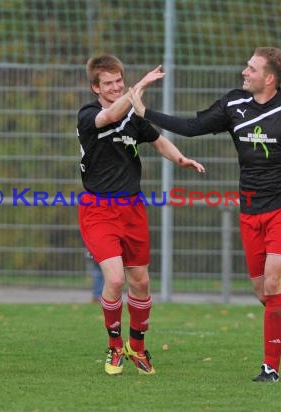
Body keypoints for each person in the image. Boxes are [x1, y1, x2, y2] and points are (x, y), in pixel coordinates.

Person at [129, 47, 281, 382]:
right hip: (251, 208)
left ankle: (270, 368)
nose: (244, 72)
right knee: (264, 294)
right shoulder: (233, 103)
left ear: (269, 78)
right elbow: (192, 126)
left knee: (272, 282)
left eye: (251, 68)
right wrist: (145, 112)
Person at [77, 54, 205, 376]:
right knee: (116, 278)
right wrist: (139, 88)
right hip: (98, 209)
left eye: (119, 80)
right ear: (96, 87)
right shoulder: (88, 114)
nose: (116, 86)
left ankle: (138, 345)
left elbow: (159, 140)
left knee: (141, 282)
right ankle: (115, 347)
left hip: (132, 208)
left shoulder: (133, 116)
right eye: (109, 83)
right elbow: (109, 115)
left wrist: (181, 159)